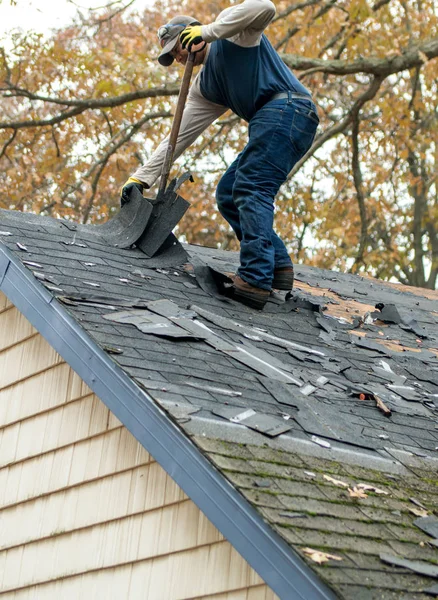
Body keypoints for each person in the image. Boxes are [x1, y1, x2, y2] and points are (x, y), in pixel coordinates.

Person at [121, 0, 319, 309]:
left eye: (179, 47)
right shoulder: (204, 87)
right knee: (228, 194)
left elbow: (265, 8)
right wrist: (142, 177)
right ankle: (278, 265)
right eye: (173, 54)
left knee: (251, 187)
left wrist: (209, 31)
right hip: (272, 122)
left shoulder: (232, 33)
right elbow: (178, 135)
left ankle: (255, 279)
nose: (179, 55)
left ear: (192, 34)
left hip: (290, 108)